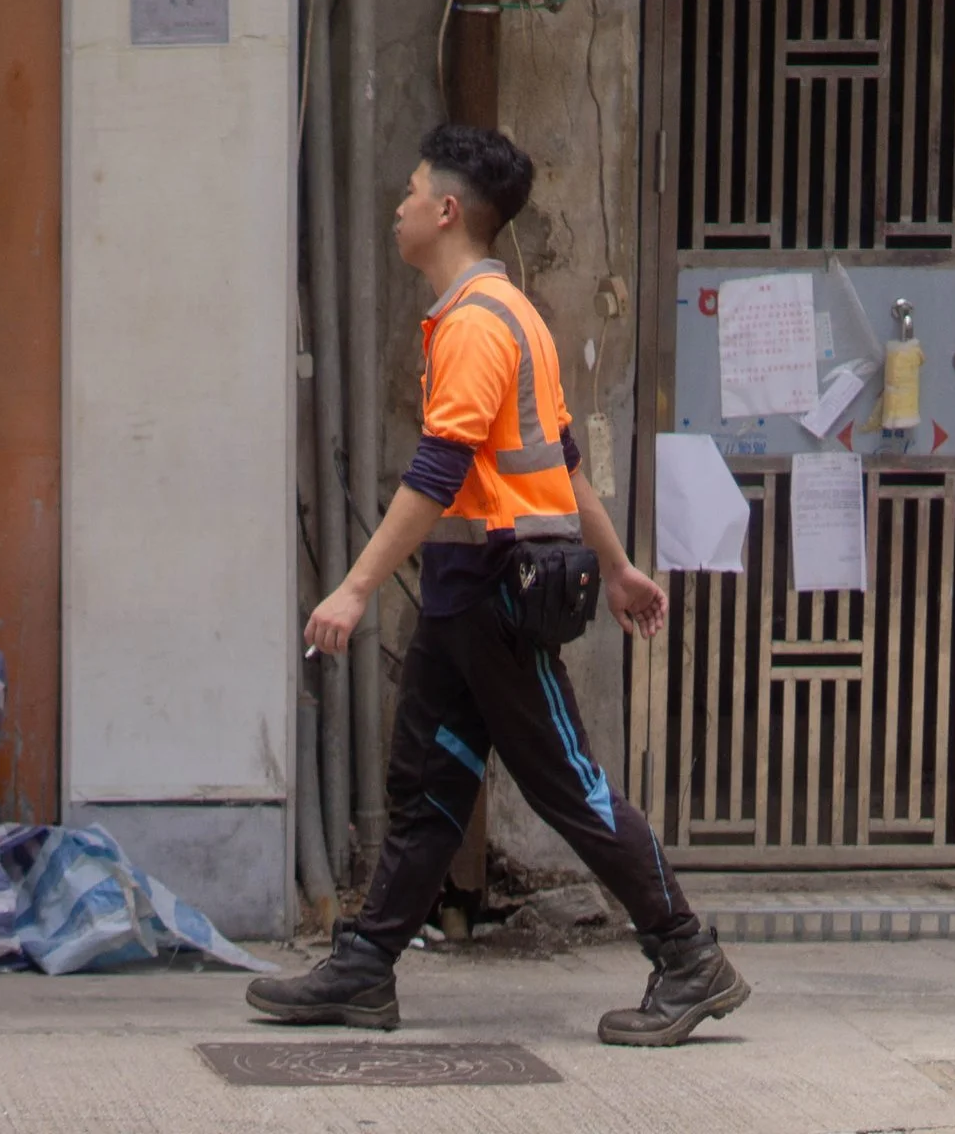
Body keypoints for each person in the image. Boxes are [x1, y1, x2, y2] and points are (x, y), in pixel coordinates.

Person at [247, 124, 747, 1048]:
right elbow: (559, 462)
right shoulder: (506, 314)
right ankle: (366, 968)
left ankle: (688, 954)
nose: (397, 208)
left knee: (567, 783)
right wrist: (618, 563)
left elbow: (440, 472)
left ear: (445, 211)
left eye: (408, 192)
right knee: (427, 777)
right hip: (465, 588)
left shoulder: (477, 323)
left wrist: (355, 589)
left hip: (494, 590)